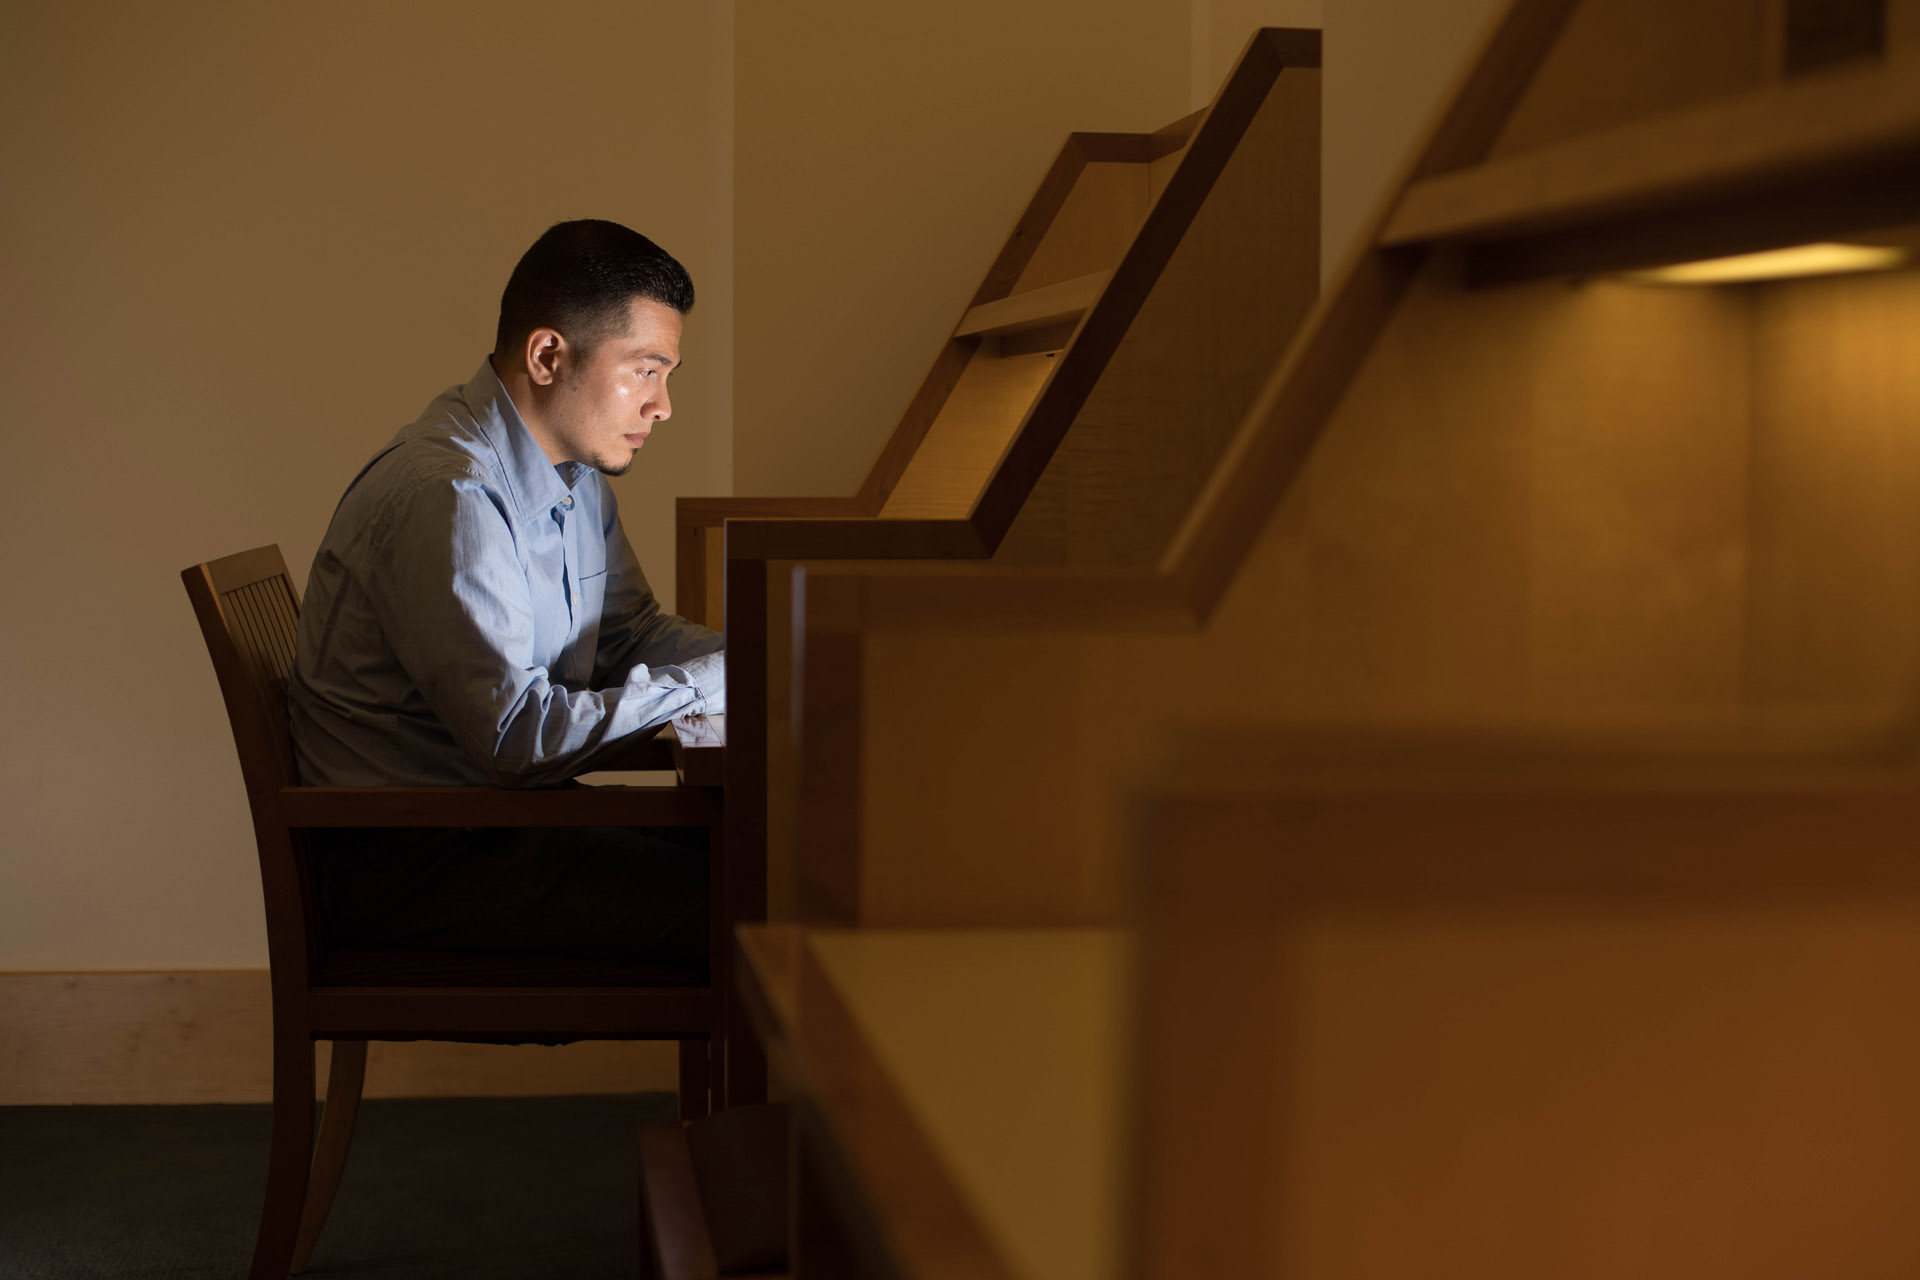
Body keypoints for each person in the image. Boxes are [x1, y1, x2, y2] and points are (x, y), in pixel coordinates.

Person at [289, 219, 722, 967]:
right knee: (758, 906)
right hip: (415, 866)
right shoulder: (450, 495)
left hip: (494, 824)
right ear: (548, 355)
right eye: (646, 370)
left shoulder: (574, 476)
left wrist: (758, 656)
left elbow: (627, 634)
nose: (663, 406)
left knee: (771, 859)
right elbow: (518, 743)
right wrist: (705, 687)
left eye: (667, 376)